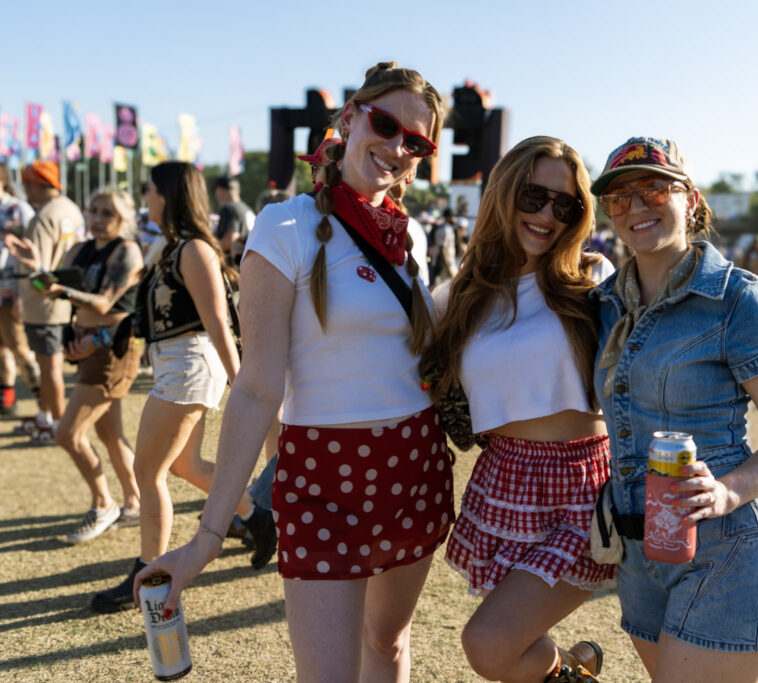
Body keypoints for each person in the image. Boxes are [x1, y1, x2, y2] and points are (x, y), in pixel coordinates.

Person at [135, 63, 453, 682]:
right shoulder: (284, 226)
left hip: (414, 464)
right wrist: (206, 537)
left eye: (416, 142)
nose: (396, 148)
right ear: (348, 118)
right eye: (386, 125)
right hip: (322, 476)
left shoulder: (406, 235)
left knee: (386, 645)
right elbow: (257, 386)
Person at [589, 137, 758, 682]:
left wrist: (727, 491)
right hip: (641, 555)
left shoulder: (736, 298)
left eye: (653, 189)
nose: (636, 207)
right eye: (619, 198)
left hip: (727, 549)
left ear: (689, 198)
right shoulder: (605, 304)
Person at [421, 136, 615, 682]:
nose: (547, 215)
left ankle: (571, 672)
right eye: (533, 196)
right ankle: (572, 672)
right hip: (504, 478)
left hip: (585, 484)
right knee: (519, 638)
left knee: (488, 644)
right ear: (504, 194)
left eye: (566, 205)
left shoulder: (595, 283)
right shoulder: (456, 298)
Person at [92, 162, 276, 612]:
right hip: (176, 363)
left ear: (170, 194)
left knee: (147, 472)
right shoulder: (168, 246)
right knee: (185, 466)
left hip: (190, 365)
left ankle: (149, 569)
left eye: (149, 189)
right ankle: (256, 516)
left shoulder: (194, 249)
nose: (145, 197)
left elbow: (217, 320)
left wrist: (241, 384)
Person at [5, 188, 145, 542]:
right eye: (94, 211)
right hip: (84, 345)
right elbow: (43, 287)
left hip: (112, 346)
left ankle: (104, 504)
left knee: (67, 432)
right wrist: (32, 267)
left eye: (107, 213)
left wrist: (60, 290)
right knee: (109, 433)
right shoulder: (79, 249)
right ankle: (134, 502)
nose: (97, 219)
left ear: (123, 219)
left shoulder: (127, 252)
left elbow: (102, 304)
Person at [17, 160, 84, 443]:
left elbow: (38, 269)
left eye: (27, 183)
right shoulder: (70, 208)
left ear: (35, 184)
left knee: (50, 368)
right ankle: (46, 416)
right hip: (65, 300)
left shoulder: (44, 216)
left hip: (44, 303)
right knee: (51, 366)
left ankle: (58, 426)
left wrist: (26, 289)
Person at [0, 165, 41, 416]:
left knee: (22, 349)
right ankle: (7, 397)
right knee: (1, 349)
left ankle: (44, 404)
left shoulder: (17, 210)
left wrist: (23, 292)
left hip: (11, 290)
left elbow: (31, 252)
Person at [213, 176, 255, 264]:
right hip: (248, 263)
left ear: (220, 190)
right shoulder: (246, 208)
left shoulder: (229, 209)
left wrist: (208, 245)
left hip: (234, 266)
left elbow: (230, 241)